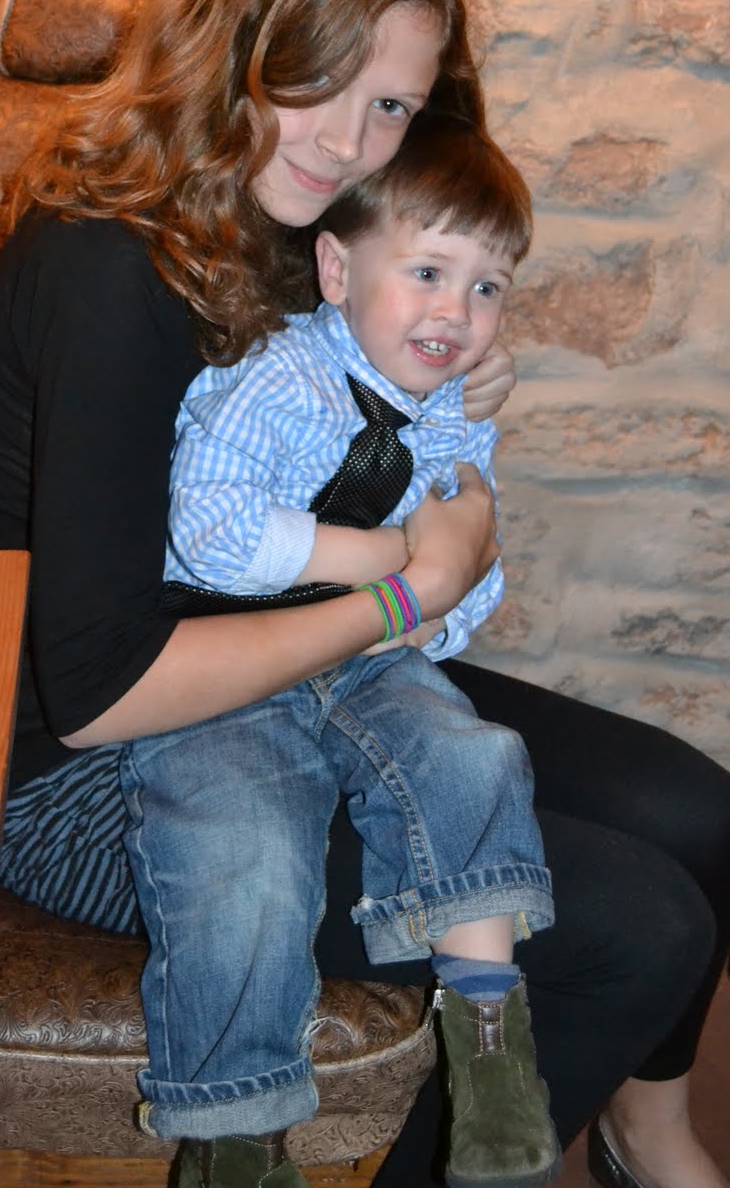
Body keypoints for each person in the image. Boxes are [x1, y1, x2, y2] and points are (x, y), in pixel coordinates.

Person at [0, 0, 730, 1188]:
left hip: (294, 661)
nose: (343, 140)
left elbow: (380, 425)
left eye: (390, 106)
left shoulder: (309, 218)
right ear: (232, 48)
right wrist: (404, 592)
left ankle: (642, 1130)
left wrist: (448, 406)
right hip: (83, 758)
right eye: (317, 81)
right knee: (634, 927)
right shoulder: (105, 268)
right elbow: (97, 694)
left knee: (700, 816)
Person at [153, 122, 558, 1188]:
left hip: (370, 654)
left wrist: (434, 616)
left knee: (474, 753)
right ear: (336, 271)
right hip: (227, 654)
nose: (455, 312)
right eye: (427, 273)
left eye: (486, 288)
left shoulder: (450, 414)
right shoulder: (278, 373)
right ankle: (235, 1139)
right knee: (242, 844)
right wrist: (396, 569)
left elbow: (472, 560)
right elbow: (211, 530)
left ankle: (488, 1051)